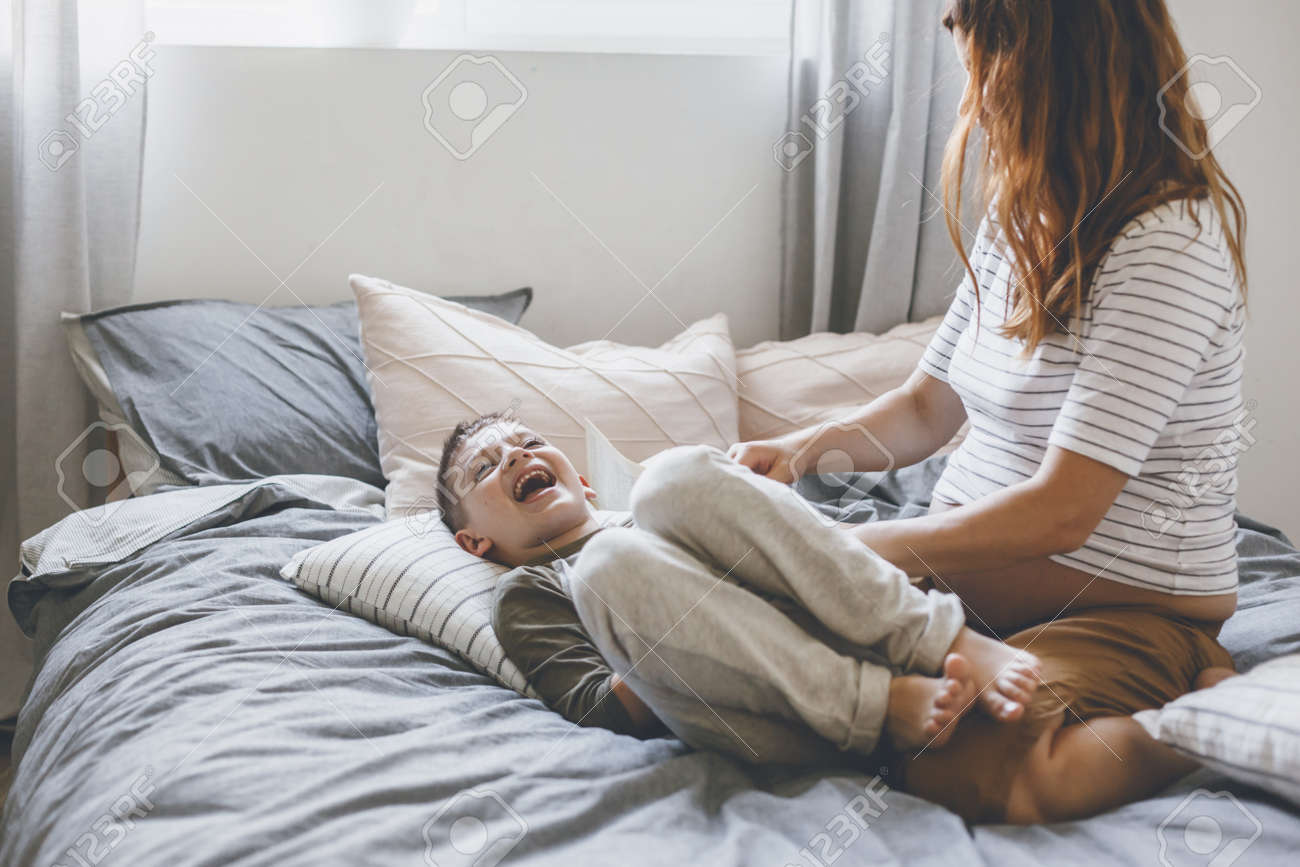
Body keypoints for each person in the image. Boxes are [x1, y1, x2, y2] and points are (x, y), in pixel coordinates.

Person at [729, 0, 1246, 824]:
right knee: (732, 649)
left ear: (1042, 68)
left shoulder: (1165, 242)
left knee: (961, 756)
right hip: (965, 595)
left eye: (978, 67)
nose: (973, 98)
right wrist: (796, 449)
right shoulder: (1022, 221)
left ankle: (1197, 715)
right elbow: (927, 408)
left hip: (1125, 609)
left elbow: (1064, 511)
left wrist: (866, 548)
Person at [434, 411, 1041, 763]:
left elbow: (829, 554)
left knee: (673, 475)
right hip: (762, 706)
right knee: (609, 562)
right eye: (485, 469)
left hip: (859, 623)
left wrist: (741, 543)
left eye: (529, 443)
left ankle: (938, 638)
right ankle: (879, 705)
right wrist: (693, 606)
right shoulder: (529, 590)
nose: (514, 457)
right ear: (473, 542)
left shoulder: (661, 509)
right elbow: (606, 714)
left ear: (586, 482)